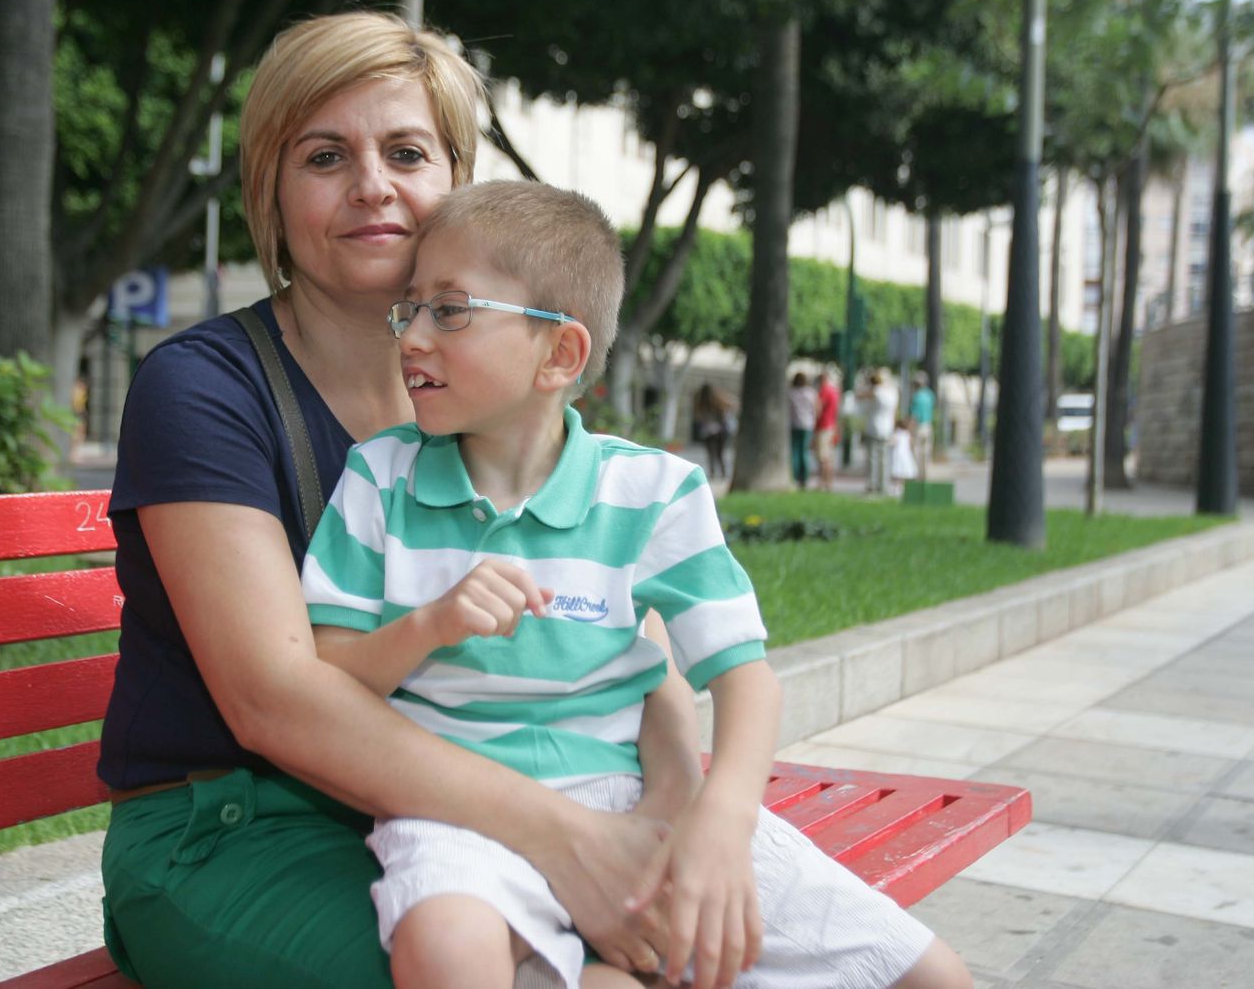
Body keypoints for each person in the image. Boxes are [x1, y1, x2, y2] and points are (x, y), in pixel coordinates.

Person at [98, 12, 698, 988]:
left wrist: (675, 823)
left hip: (456, 821)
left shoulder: (485, 392)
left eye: (407, 152)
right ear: (272, 190)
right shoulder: (204, 390)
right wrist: (567, 839)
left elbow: (644, 655)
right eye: (324, 156)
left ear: (458, 182)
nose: (371, 185)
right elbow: (273, 699)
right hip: (236, 831)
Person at [303, 181, 972, 989]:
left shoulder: (654, 492)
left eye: (449, 311)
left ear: (561, 354)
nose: (410, 337)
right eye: (407, 310)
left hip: (629, 796)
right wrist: (430, 626)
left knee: (933, 976)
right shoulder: (379, 479)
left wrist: (720, 822)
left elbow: (744, 675)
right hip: (454, 812)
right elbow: (328, 677)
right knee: (445, 951)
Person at [857, 368, 899, 495]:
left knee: (872, 458)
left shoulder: (876, 392)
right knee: (885, 459)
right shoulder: (892, 392)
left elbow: (859, 395)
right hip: (887, 428)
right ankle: (883, 484)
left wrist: (866, 384)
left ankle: (872, 484)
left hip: (874, 428)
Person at [693, 382, 736, 480]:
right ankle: (722, 473)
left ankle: (713, 473)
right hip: (721, 432)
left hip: (710, 432)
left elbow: (699, 419)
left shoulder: (702, 405)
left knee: (711, 453)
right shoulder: (720, 403)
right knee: (719, 454)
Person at [787, 371, 818, 490]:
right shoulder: (810, 393)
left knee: (795, 451)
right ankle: (804, 478)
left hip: (794, 424)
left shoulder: (791, 393)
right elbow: (817, 408)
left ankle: (795, 476)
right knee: (804, 451)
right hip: (807, 425)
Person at [813, 369, 840, 491]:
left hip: (823, 426)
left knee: (823, 457)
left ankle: (823, 483)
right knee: (828, 456)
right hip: (831, 425)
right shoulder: (835, 391)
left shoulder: (824, 390)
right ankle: (827, 483)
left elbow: (818, 408)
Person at [908, 372, 936, 480]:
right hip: (928, 425)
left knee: (917, 452)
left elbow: (914, 416)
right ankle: (926, 475)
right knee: (926, 453)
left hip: (919, 427)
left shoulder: (917, 396)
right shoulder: (929, 395)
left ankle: (917, 476)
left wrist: (909, 430)